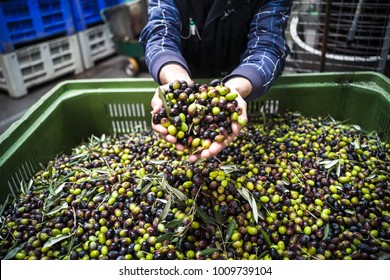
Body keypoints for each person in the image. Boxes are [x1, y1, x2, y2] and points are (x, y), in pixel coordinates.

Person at [139, 0, 292, 162]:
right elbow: (159, 34)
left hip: (246, 88)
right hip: (189, 72)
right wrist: (175, 77)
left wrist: (236, 88)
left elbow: (268, 46)